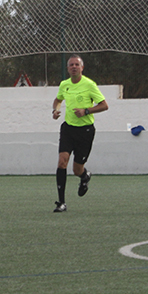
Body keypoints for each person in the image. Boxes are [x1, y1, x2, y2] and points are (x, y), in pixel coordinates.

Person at [51, 55, 108, 213]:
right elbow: (57, 100)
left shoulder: (89, 85)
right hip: (68, 129)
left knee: (77, 169)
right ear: (68, 68)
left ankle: (84, 176)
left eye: (77, 64)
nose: (74, 67)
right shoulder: (64, 84)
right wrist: (55, 110)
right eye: (71, 65)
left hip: (86, 131)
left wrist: (86, 111)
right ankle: (61, 202)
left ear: (82, 68)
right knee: (62, 162)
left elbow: (104, 105)